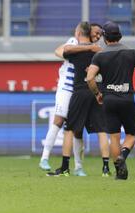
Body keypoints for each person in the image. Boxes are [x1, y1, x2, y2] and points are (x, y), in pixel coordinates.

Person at [40, 22, 110, 176]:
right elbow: (60, 51)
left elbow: (63, 52)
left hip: (81, 92)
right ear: (87, 31)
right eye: (96, 33)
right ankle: (45, 158)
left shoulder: (96, 50)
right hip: (73, 90)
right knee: (63, 122)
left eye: (101, 34)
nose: (98, 36)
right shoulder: (79, 44)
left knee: (73, 130)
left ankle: (75, 166)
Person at [86, 21, 135, 180]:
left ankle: (119, 173)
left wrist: (97, 93)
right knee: (131, 134)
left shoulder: (100, 55)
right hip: (127, 98)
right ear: (120, 35)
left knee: (114, 138)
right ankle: (122, 158)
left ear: (104, 37)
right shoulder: (132, 52)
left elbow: (90, 78)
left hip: (108, 100)